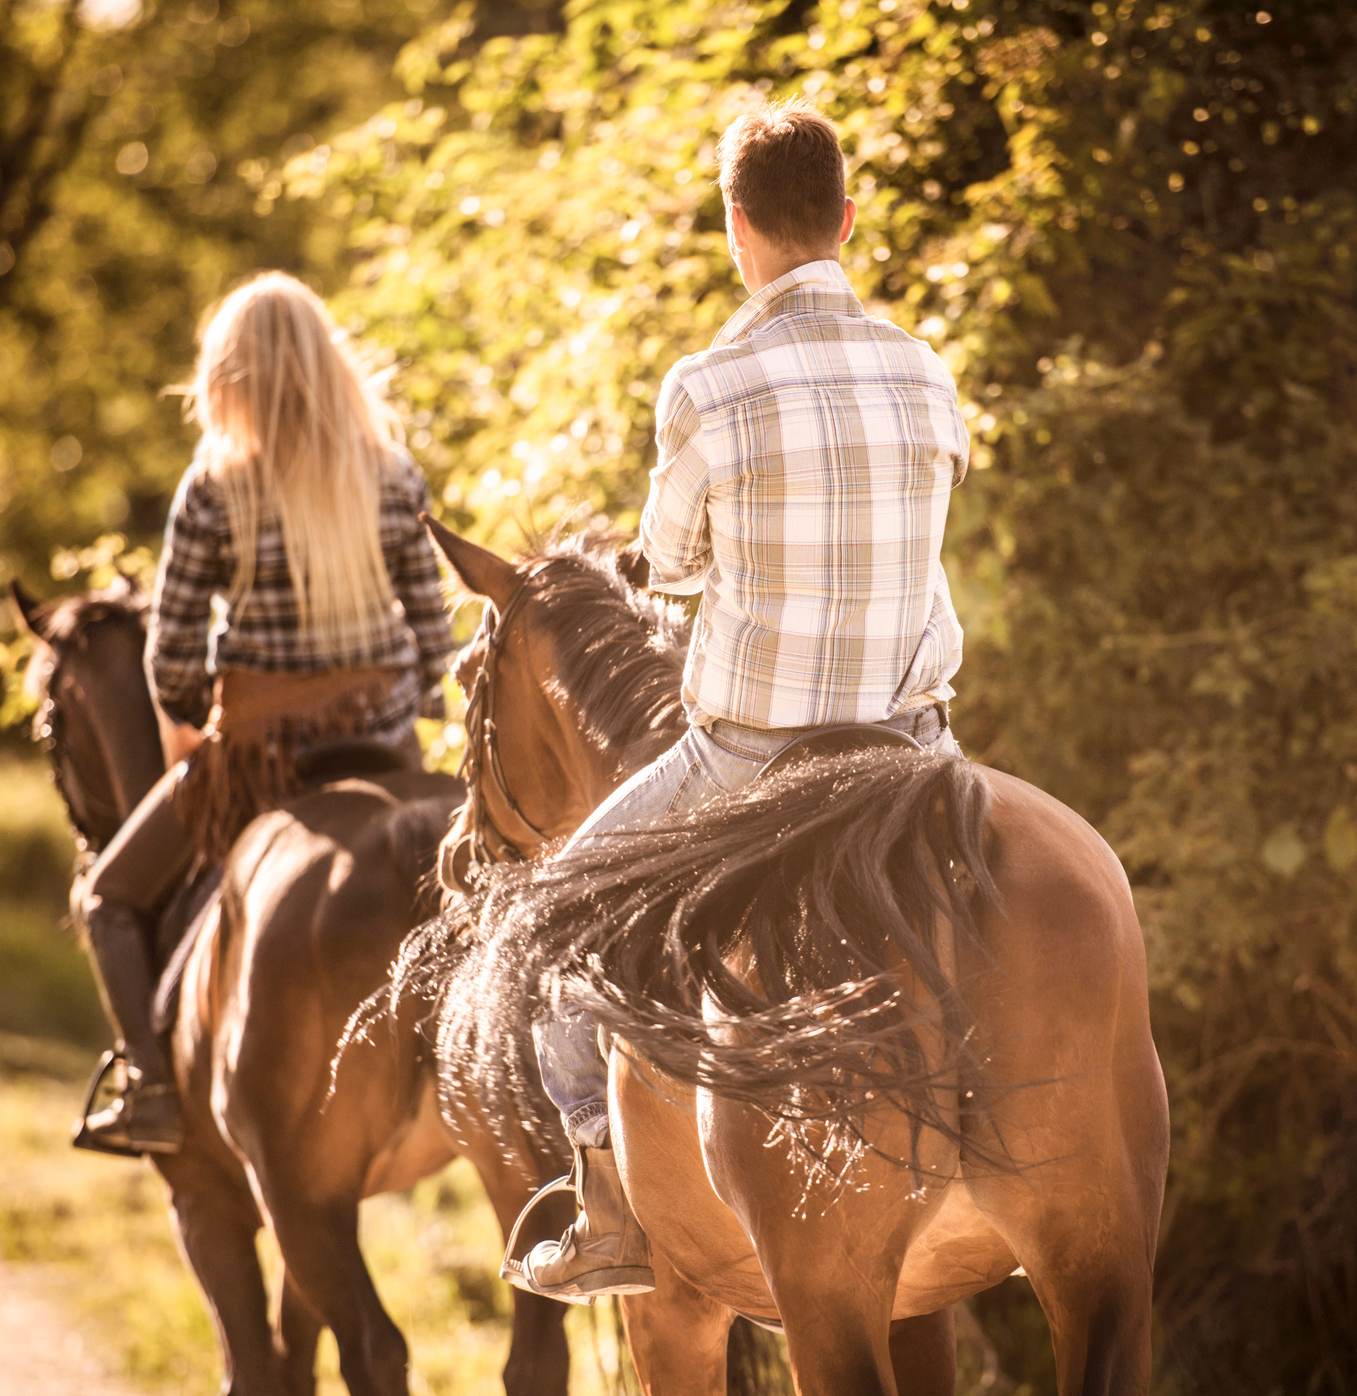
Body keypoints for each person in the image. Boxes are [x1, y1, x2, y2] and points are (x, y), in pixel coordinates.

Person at [506, 101, 972, 1301]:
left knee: (551, 921)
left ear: (734, 229)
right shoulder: (924, 371)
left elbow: (666, 567)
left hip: (751, 754)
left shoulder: (706, 386)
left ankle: (606, 1203)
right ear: (847, 220)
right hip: (911, 747)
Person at [74, 272, 454, 1157]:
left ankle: (153, 1088)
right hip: (389, 751)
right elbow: (437, 644)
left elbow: (167, 658)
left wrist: (204, 705)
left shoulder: (216, 488)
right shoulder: (395, 477)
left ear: (228, 377)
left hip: (260, 764)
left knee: (107, 900)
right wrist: (401, 706)